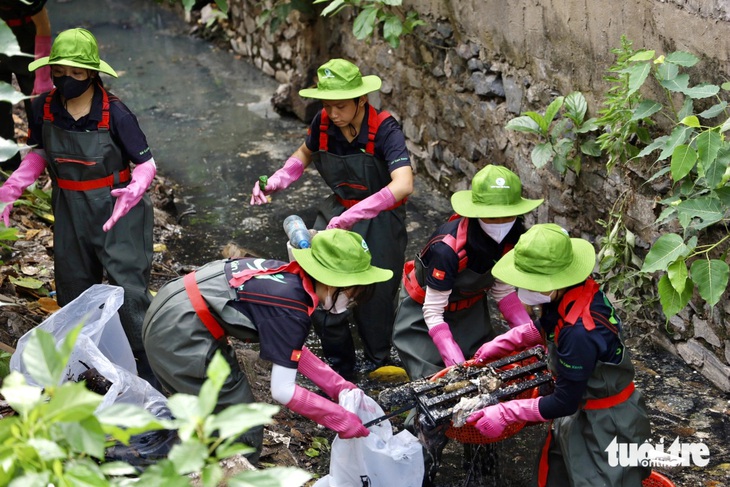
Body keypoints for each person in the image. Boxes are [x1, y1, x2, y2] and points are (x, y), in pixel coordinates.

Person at [141, 229, 393, 463]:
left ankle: (200, 454)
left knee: (220, 408)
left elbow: (286, 344)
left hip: (172, 304)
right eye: (352, 292)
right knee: (242, 421)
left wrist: (336, 385)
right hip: (177, 332)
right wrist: (338, 418)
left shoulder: (289, 275)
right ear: (331, 282)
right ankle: (232, 473)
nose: (352, 301)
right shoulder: (292, 311)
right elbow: (282, 391)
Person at [0, 28, 158, 385]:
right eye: (60, 72)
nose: (66, 80)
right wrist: (12, 187)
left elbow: (146, 163)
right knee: (74, 288)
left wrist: (136, 188)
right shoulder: (43, 108)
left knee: (129, 291)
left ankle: (148, 369)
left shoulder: (116, 113)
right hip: (69, 208)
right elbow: (39, 152)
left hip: (118, 210)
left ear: (92, 73)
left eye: (76, 73)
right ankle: (88, 364)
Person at [250, 58, 413, 380]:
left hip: (379, 216)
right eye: (327, 106)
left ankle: (377, 359)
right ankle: (340, 363)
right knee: (321, 282)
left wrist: (356, 213)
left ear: (361, 100)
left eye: (340, 106)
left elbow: (404, 183)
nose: (333, 114)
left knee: (376, 293)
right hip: (337, 210)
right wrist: (279, 179)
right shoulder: (324, 123)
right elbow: (304, 154)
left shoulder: (384, 129)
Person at [467, 223, 651, 486]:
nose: (522, 289)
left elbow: (563, 401)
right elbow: (554, 321)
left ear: (551, 282)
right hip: (580, 410)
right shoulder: (574, 289)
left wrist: (508, 412)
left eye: (529, 283)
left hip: (607, 425)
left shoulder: (579, 334)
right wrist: (514, 338)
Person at [392, 164, 543, 380]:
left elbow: (502, 291)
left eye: (508, 216)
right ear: (476, 212)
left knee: (486, 372)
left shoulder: (514, 239)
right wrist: (454, 360)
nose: (500, 224)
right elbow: (433, 311)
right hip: (424, 314)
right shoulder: (447, 249)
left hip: (471, 311)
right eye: (492, 217)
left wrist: (532, 336)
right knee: (438, 382)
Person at [0, 0, 52, 171]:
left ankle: (47, 162)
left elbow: (43, 26)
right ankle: (8, 172)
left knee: (39, 109)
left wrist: (43, 75)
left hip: (28, 41)